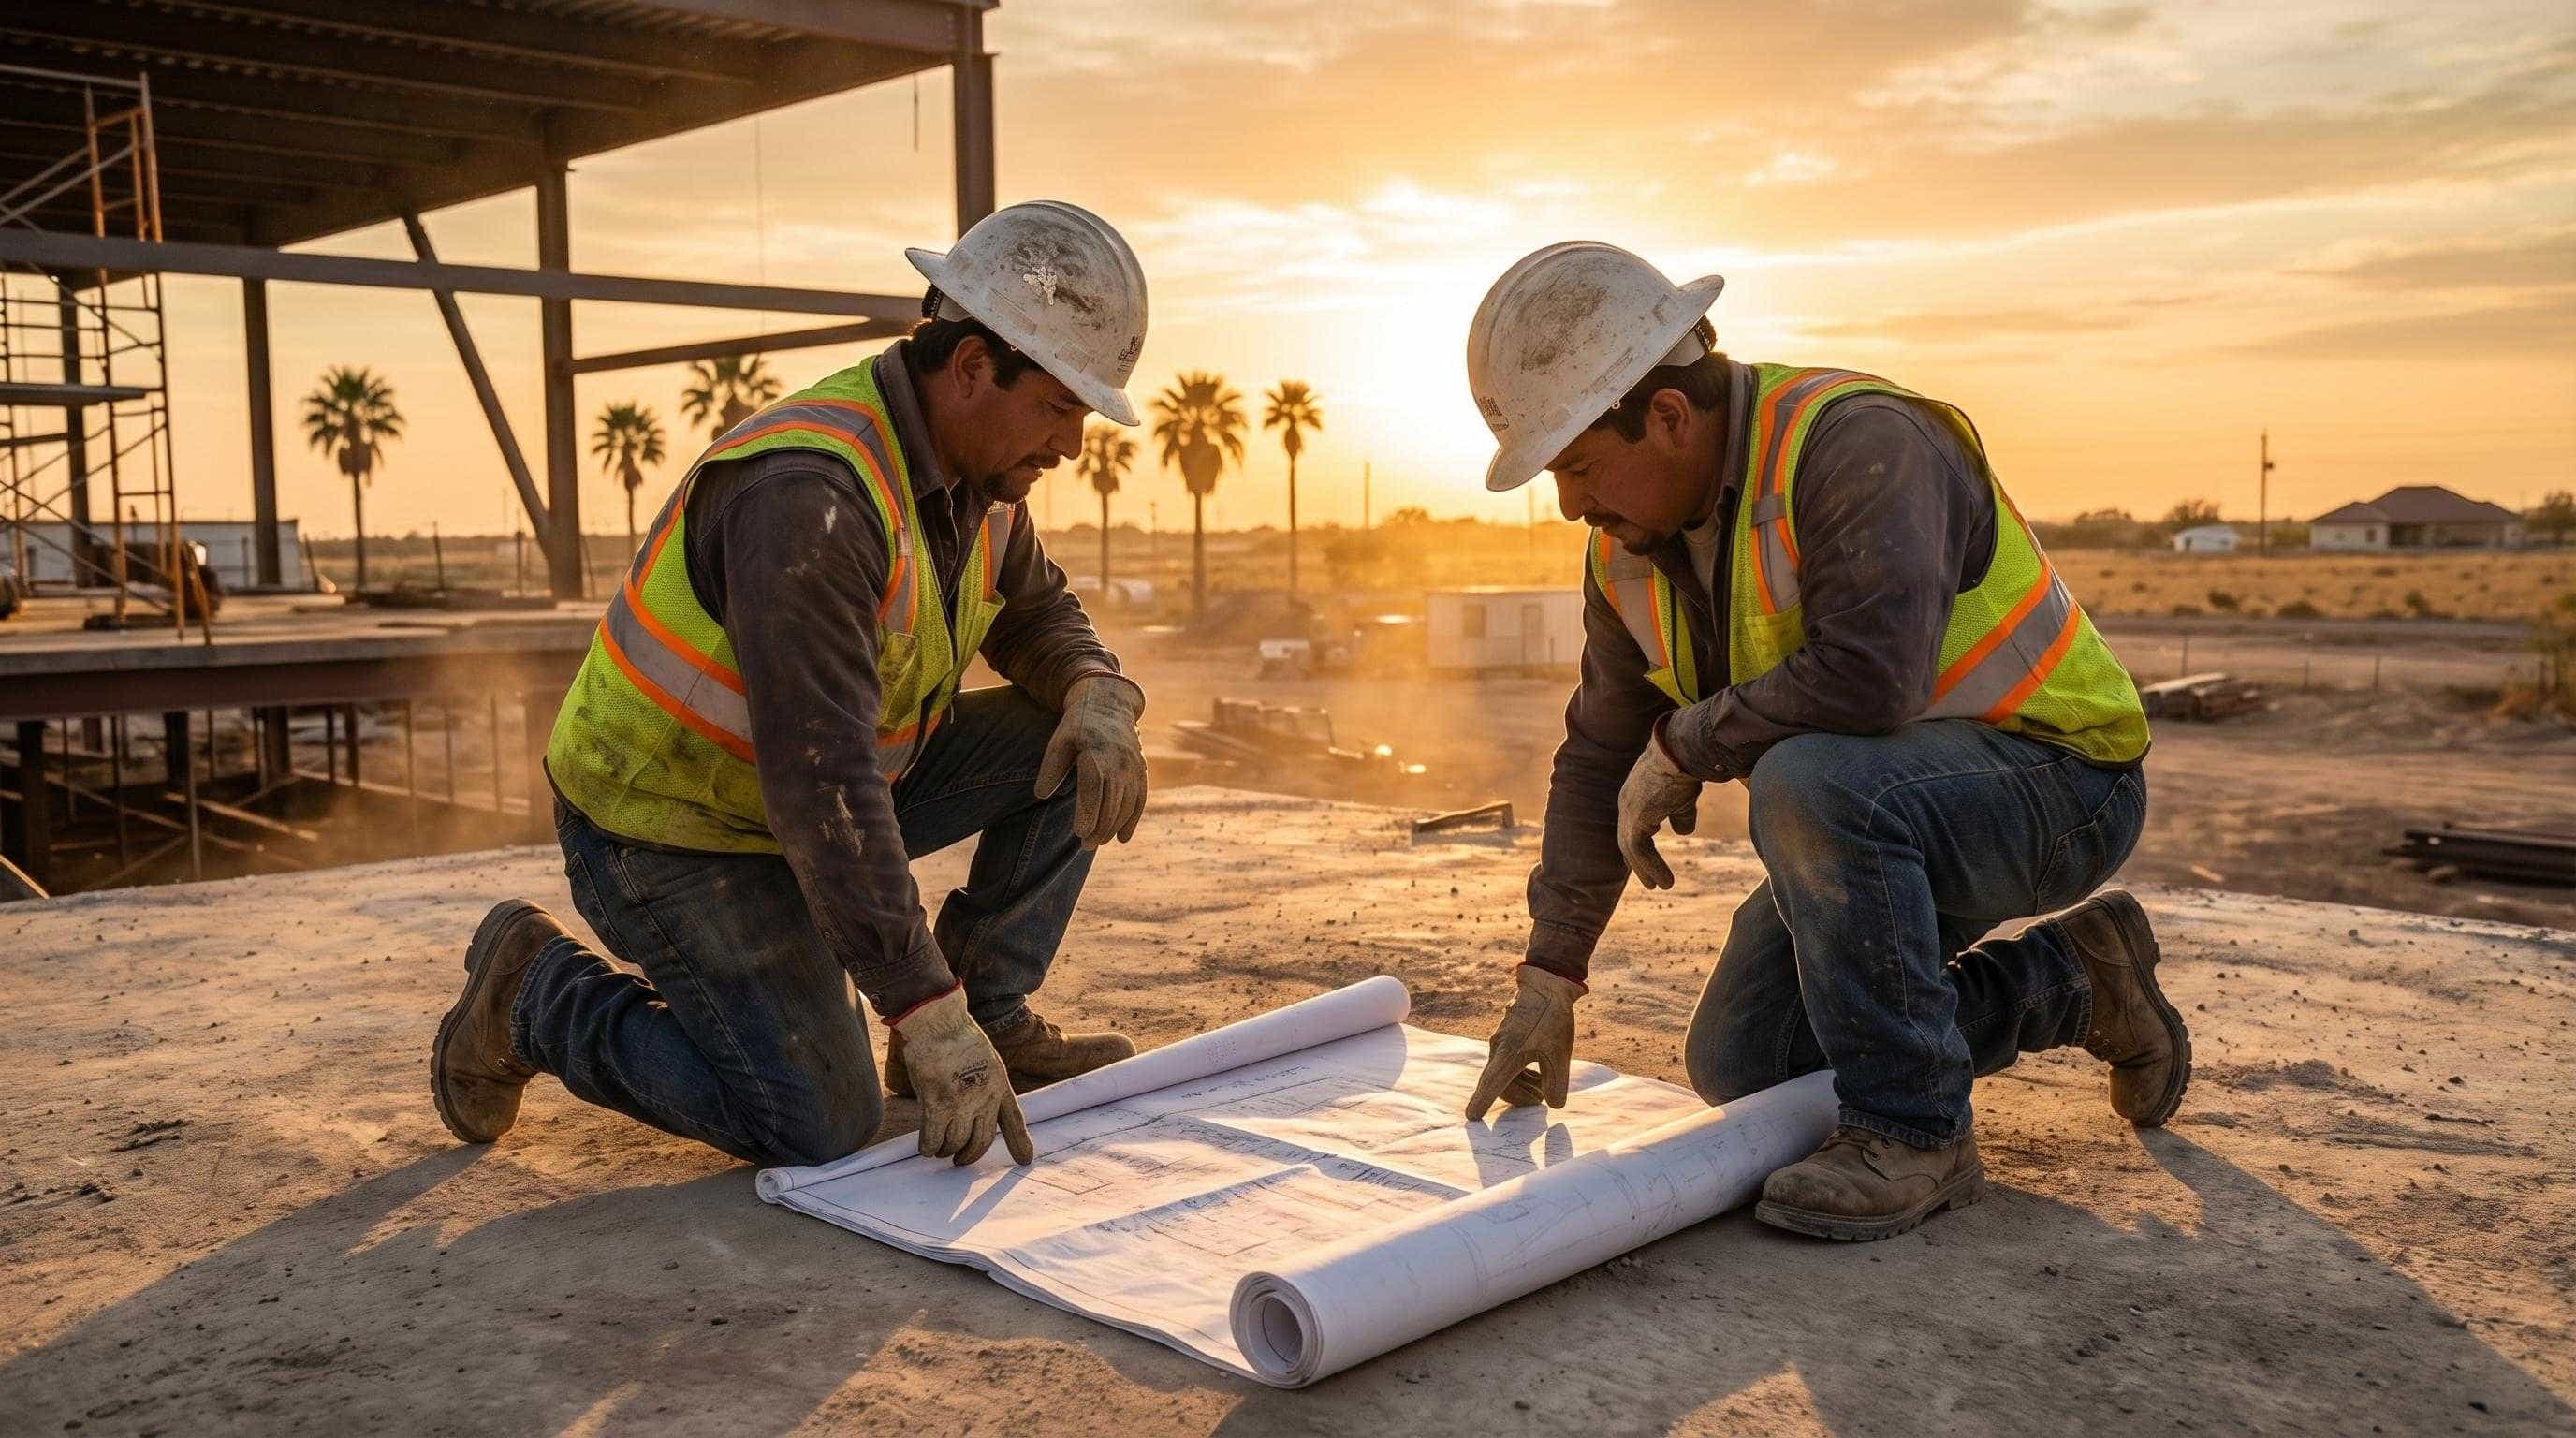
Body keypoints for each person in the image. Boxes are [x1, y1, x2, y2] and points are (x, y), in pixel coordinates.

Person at [1458, 242, 2188, 1241]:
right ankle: (2077, 983)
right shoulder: (1625, 555)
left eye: (1578, 466)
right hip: (1885, 818)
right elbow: (1595, 759)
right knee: (1749, 1063)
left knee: (1807, 779)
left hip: (2059, 786)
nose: (1571, 504)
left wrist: (1685, 743)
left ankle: (1914, 1131)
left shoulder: (1859, 442)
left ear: (1667, 416)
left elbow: (1870, 677)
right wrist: (1550, 975)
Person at [432, 201, 1156, 1172]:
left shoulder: (978, 477)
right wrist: (921, 1006)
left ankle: (988, 1019)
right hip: (669, 828)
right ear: (972, 367)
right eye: (1061, 407)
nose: (1072, 445)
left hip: (807, 797)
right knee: (817, 1121)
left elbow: (1035, 611)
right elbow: (824, 792)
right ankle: (535, 994)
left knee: (1077, 745)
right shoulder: (809, 496)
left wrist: (1096, 688)